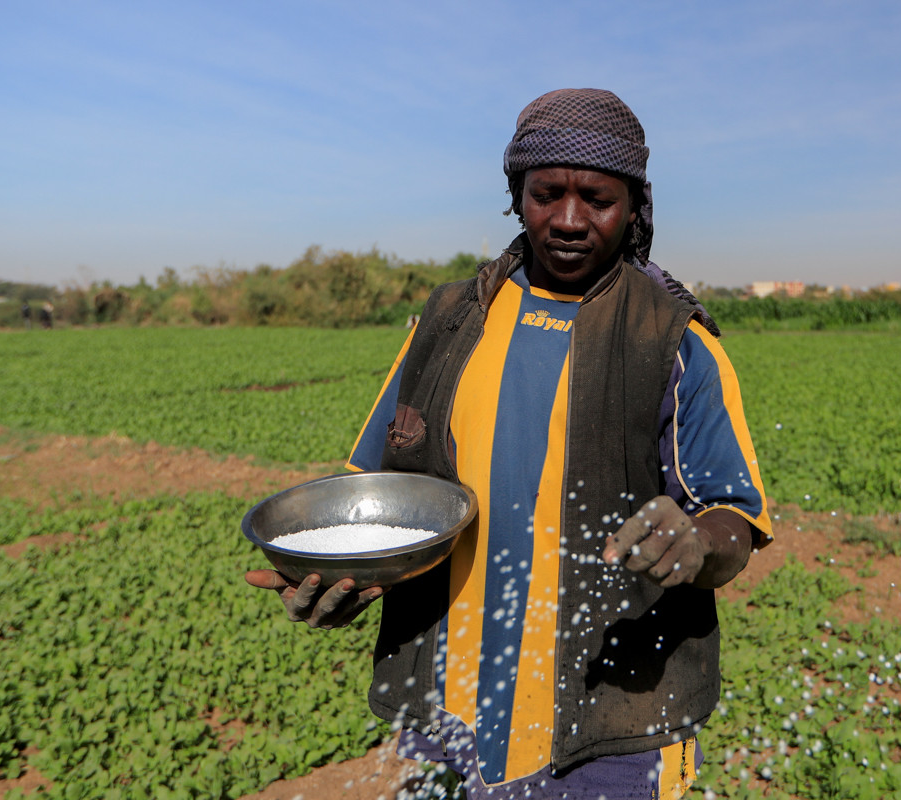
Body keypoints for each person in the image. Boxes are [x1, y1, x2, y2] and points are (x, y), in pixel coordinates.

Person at [246, 88, 774, 799]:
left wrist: (696, 544)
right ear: (515, 195)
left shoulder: (673, 342)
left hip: (613, 719)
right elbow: (375, 501)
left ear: (636, 206)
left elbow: (733, 519)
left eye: (597, 199)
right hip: (451, 705)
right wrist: (344, 582)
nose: (567, 220)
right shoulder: (448, 320)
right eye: (545, 193)